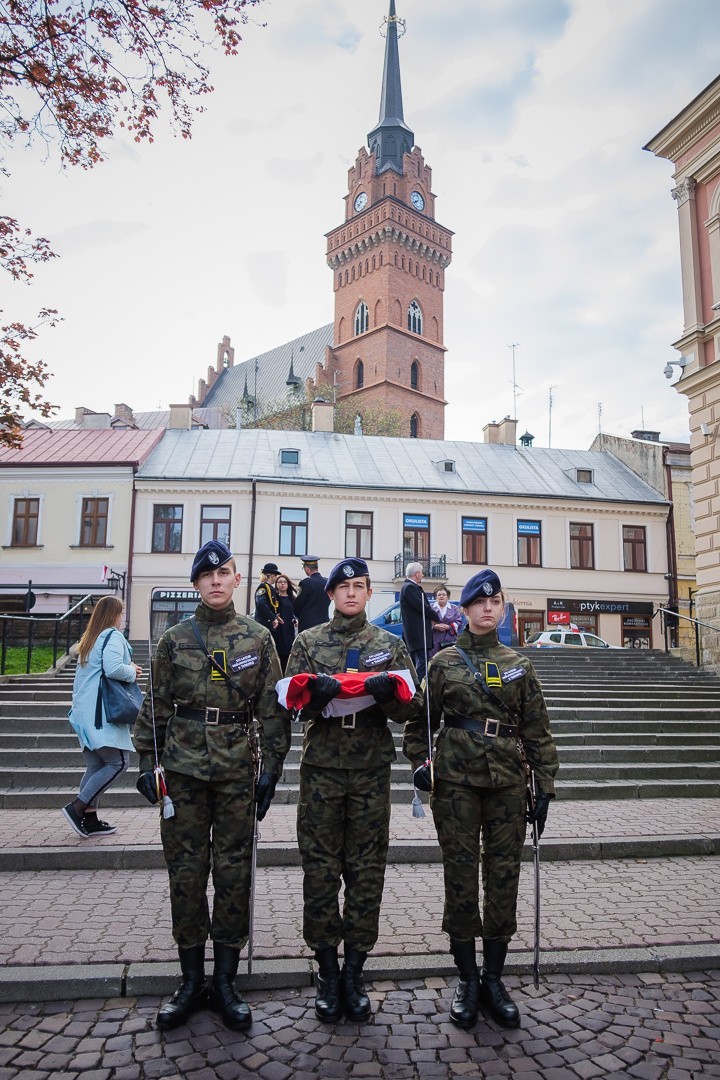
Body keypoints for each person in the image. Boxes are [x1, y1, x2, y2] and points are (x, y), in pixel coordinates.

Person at [133, 540, 290, 1032]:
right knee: (185, 873)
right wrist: (145, 761)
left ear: (237, 579)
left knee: (233, 873)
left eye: (224, 573)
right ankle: (190, 980)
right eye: (207, 575)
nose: (217, 581)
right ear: (196, 583)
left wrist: (272, 767)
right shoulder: (173, 639)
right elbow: (155, 705)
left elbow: (273, 707)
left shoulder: (258, 638)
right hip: (181, 771)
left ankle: (224, 981)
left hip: (237, 770)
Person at [403, 569, 559, 1031]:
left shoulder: (519, 664)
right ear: (465, 610)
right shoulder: (444, 662)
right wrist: (421, 764)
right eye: (479, 602)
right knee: (461, 875)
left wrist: (545, 785)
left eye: (496, 602)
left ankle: (494, 978)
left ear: (502, 609)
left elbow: (537, 728)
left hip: (509, 783)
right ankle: (467, 978)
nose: (488, 608)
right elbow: (418, 723)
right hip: (455, 783)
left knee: (504, 874)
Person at [284, 558, 422, 1024]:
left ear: (368, 592)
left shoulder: (389, 645)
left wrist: (387, 693)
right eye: (342, 587)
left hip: (369, 769)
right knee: (320, 869)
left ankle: (355, 970)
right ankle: (326, 969)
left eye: (359, 586)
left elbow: (410, 710)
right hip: (322, 767)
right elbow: (289, 705)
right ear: (331, 594)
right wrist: (314, 696)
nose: (349, 593)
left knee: (366, 870)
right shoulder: (307, 642)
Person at [63, 595, 141, 839]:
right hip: (102, 714)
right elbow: (114, 668)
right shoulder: (112, 636)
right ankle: (77, 808)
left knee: (96, 764)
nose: (122, 618)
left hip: (85, 712)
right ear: (114, 615)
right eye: (121, 613)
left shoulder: (90, 639)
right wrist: (133, 671)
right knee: (118, 763)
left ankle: (90, 817)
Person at [399, 561, 437, 682]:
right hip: (418, 635)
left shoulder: (409, 587)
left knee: (418, 664)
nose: (422, 575)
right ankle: (418, 690)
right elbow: (422, 607)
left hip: (417, 635)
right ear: (416, 574)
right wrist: (437, 617)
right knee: (421, 665)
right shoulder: (410, 588)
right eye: (421, 573)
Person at [293, 555, 330, 632]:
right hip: (324, 624)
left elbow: (298, 605)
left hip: (308, 626)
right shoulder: (327, 582)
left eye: (304, 568)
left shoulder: (305, 583)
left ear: (307, 568)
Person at [273, 573, 297, 672]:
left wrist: (296, 619)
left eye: (284, 582)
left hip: (289, 628)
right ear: (276, 584)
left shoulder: (293, 599)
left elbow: (296, 612)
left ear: (288, 584)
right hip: (277, 629)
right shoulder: (274, 598)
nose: (282, 584)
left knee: (288, 652)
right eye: (280, 582)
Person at [429, 586, 462, 657]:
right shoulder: (430, 608)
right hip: (434, 640)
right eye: (439, 595)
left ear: (448, 597)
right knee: (433, 661)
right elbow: (424, 622)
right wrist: (434, 626)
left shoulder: (454, 608)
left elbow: (459, 623)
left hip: (450, 640)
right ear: (435, 597)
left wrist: (449, 627)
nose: (441, 596)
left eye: (444, 595)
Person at [254, 562, 281, 631]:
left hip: (268, 623)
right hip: (264, 623)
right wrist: (272, 618)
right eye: (276, 576)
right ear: (272, 576)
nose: (276, 578)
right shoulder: (263, 587)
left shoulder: (270, 588)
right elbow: (261, 603)